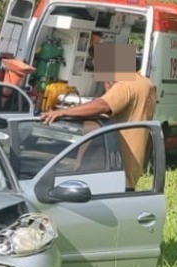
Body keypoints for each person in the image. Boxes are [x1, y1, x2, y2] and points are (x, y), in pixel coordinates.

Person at [40, 42, 156, 190]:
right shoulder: (145, 83)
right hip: (131, 166)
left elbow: (103, 105)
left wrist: (63, 112)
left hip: (114, 170)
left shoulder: (126, 85)